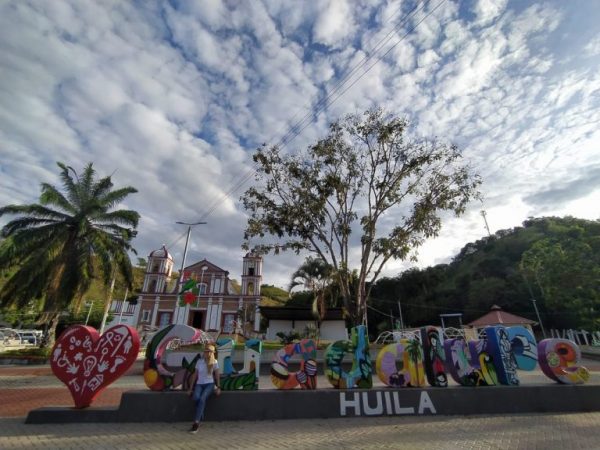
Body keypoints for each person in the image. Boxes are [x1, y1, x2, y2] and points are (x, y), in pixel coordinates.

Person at [188, 344, 221, 433]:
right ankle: (200, 416)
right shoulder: (199, 361)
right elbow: (195, 375)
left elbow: (217, 375)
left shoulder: (214, 362)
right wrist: (190, 388)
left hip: (209, 384)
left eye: (207, 351)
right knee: (196, 397)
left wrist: (218, 387)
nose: (205, 353)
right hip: (199, 384)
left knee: (202, 399)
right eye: (205, 351)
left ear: (211, 353)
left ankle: (196, 423)